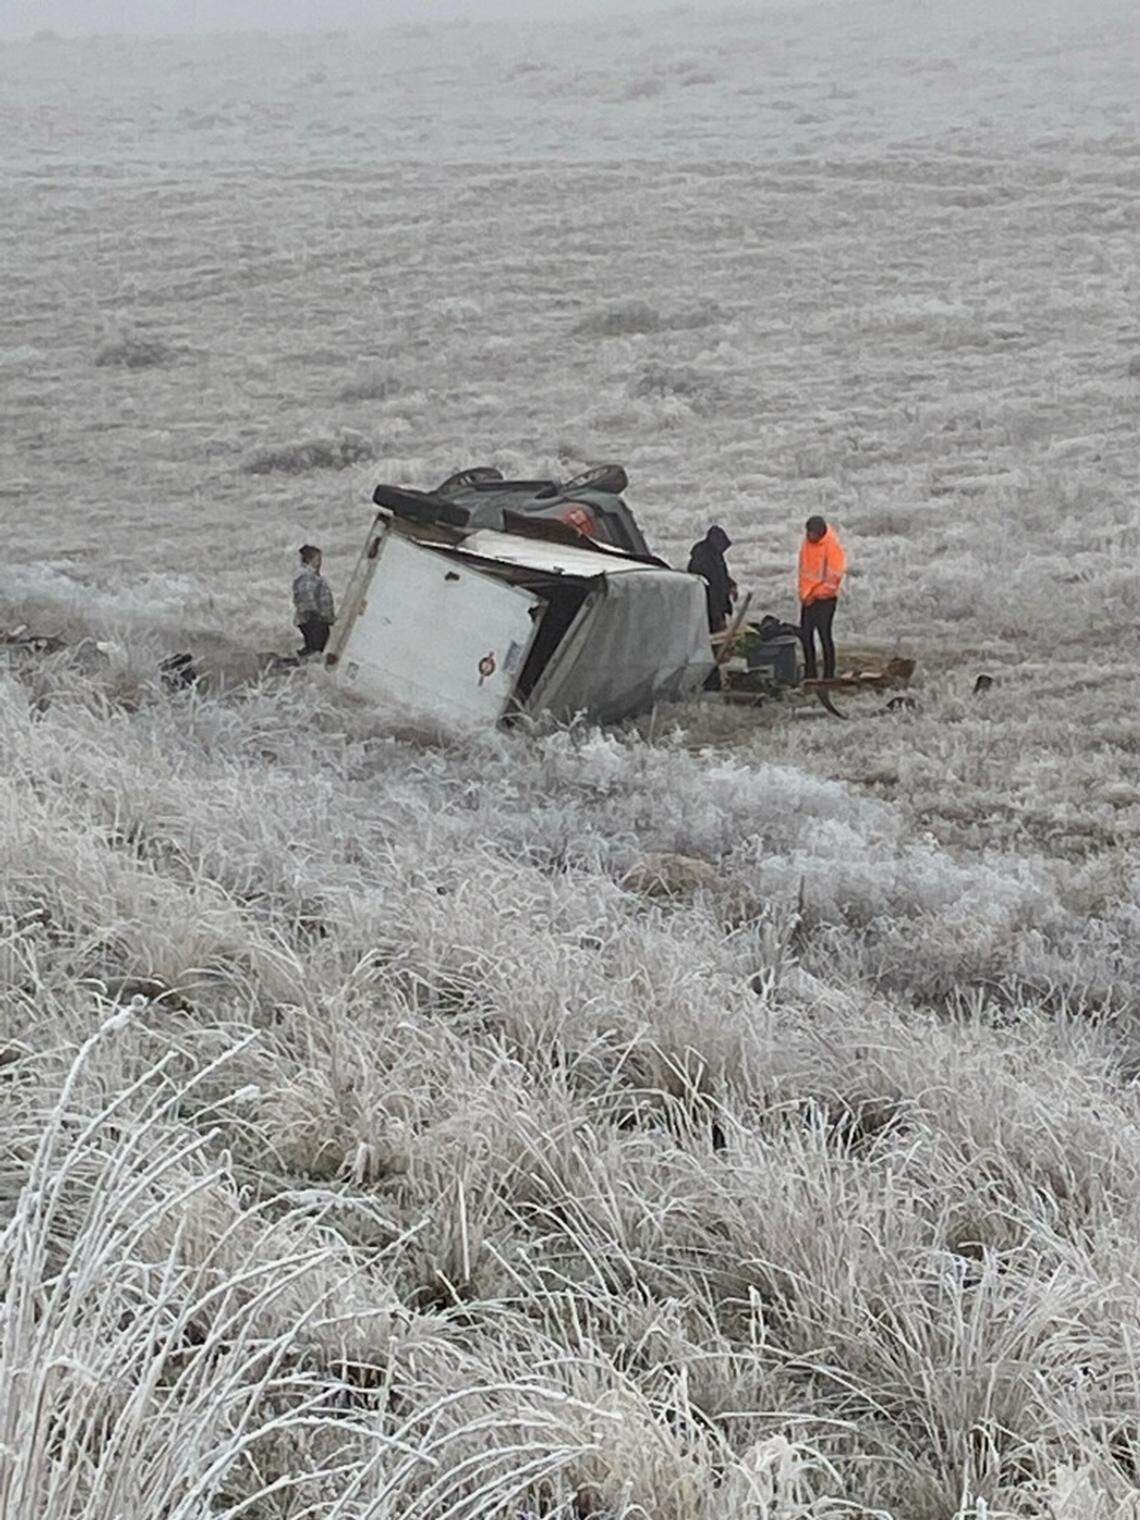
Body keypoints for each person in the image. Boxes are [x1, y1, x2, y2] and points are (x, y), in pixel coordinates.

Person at [798, 515, 847, 680]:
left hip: (826, 599)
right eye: (808, 533)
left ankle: (828, 675)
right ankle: (810, 672)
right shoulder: (807, 543)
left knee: (824, 635)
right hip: (808, 597)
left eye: (812, 534)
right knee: (805, 634)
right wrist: (805, 595)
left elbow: (833, 579)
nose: (809, 536)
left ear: (820, 533)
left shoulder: (832, 547)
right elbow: (804, 571)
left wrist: (814, 595)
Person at [687, 525, 734, 633]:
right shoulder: (702, 560)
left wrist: (730, 585)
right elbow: (711, 592)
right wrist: (717, 617)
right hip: (707, 611)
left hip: (716, 607)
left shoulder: (716, 555)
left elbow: (721, 576)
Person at [293, 544, 335, 656]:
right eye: (318, 559)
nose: (320, 562)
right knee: (314, 650)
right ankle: (290, 665)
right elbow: (306, 597)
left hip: (317, 620)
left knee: (315, 650)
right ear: (310, 560)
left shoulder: (313, 576)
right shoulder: (307, 577)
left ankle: (295, 665)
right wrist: (315, 615)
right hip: (313, 620)